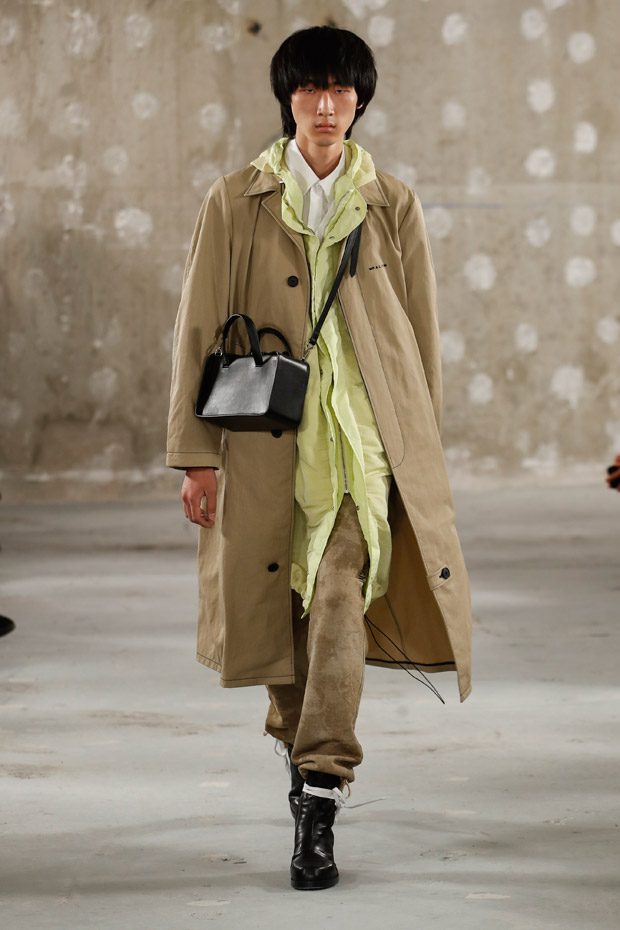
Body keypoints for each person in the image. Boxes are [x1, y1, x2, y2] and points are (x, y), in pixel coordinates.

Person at [166, 25, 473, 891]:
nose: (328, 106)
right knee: (279, 612)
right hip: (264, 444)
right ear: (289, 98)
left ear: (361, 101)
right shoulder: (237, 199)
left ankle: (321, 789)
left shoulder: (391, 203)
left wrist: (421, 457)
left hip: (362, 443)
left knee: (340, 596)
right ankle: (299, 741)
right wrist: (195, 457)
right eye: (312, 89)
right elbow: (197, 326)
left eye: (343, 91)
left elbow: (420, 335)